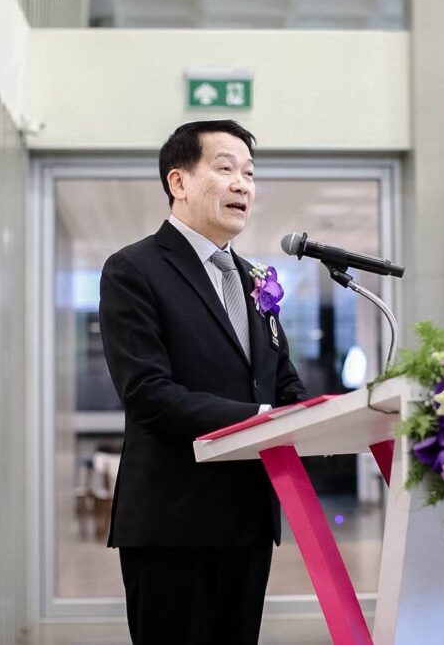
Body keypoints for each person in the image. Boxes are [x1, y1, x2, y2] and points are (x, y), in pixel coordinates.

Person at [98, 119, 310, 644]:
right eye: (226, 168)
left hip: (249, 519)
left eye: (250, 174)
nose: (243, 185)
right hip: (173, 524)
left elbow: (281, 382)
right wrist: (262, 421)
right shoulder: (133, 269)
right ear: (179, 181)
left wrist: (325, 415)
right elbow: (147, 394)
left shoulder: (256, 279)